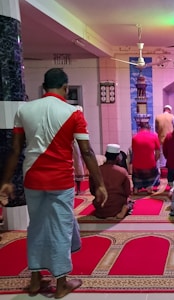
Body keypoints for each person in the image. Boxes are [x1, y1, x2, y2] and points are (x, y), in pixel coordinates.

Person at [0, 68, 107, 299]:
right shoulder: (74, 112)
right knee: (60, 228)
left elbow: (16, 149)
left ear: (44, 86)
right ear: (65, 88)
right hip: (61, 180)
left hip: (32, 178)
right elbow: (86, 152)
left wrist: (6, 180)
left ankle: (36, 279)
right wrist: (98, 184)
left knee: (36, 226)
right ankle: (61, 284)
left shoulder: (24, 110)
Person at [90, 144, 132, 218]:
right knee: (129, 201)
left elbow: (92, 191)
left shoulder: (95, 171)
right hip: (117, 207)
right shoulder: (122, 171)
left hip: (100, 208)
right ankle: (124, 209)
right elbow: (127, 192)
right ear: (118, 158)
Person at [131, 121, 161, 194]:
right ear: (149, 128)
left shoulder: (134, 137)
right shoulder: (154, 136)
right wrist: (155, 160)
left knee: (136, 174)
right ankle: (149, 188)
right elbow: (157, 152)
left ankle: (136, 188)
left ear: (140, 128)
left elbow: (134, 152)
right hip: (150, 163)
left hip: (137, 164)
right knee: (155, 173)